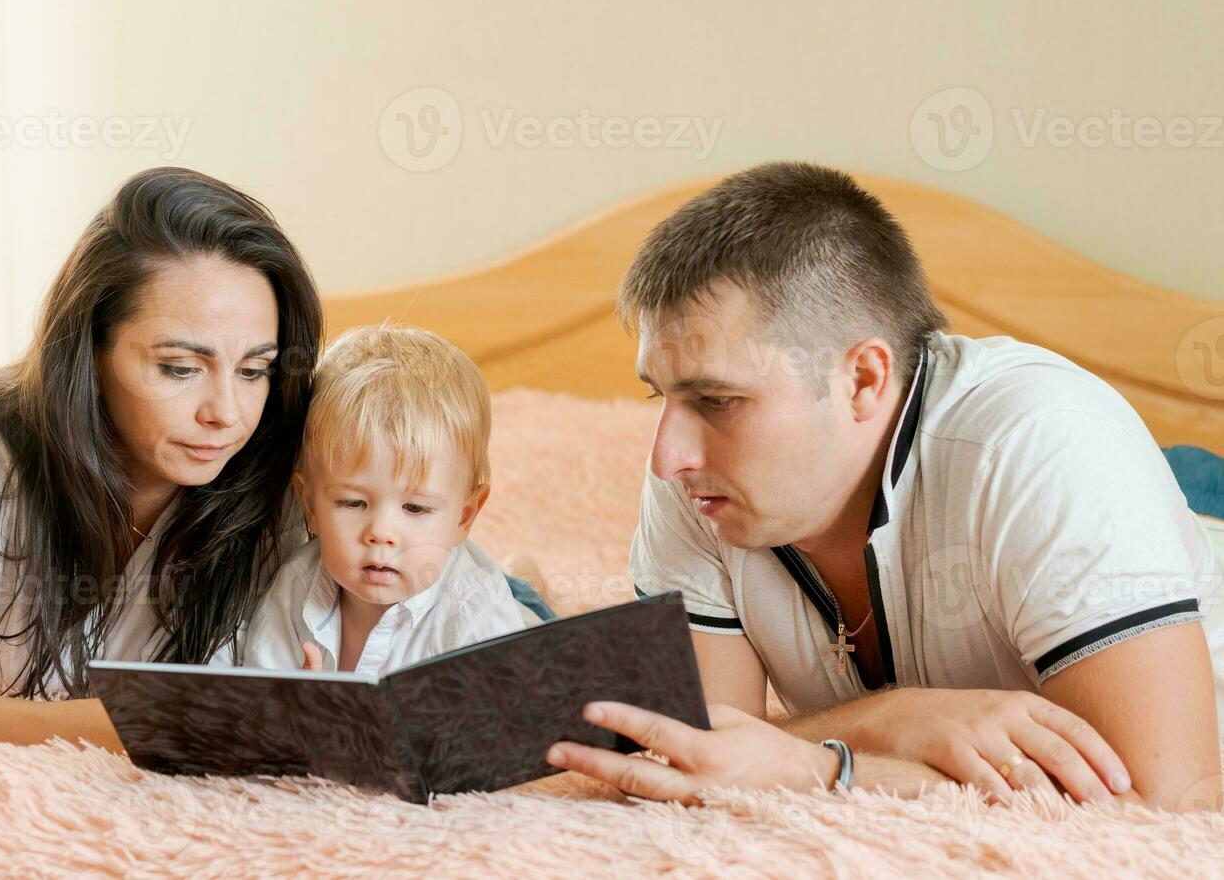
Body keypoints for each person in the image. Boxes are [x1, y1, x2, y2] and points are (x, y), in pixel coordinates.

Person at [547, 161, 1224, 811]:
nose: (668, 457)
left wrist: (829, 764)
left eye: (719, 400)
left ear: (864, 380)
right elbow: (696, 752)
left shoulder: (1047, 445)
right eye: (658, 397)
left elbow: (1169, 799)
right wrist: (895, 717)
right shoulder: (698, 478)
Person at [0, 167, 323, 751]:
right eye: (179, 367)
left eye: (255, 370)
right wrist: (156, 719)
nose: (227, 413)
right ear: (90, 352)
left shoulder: (294, 470)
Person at [242, 323, 532, 675]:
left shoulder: (478, 619)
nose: (381, 533)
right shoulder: (293, 587)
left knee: (535, 614)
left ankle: (526, 582)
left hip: (523, 623)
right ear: (309, 504)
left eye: (415, 508)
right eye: (352, 503)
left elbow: (504, 722)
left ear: (464, 517)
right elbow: (256, 704)